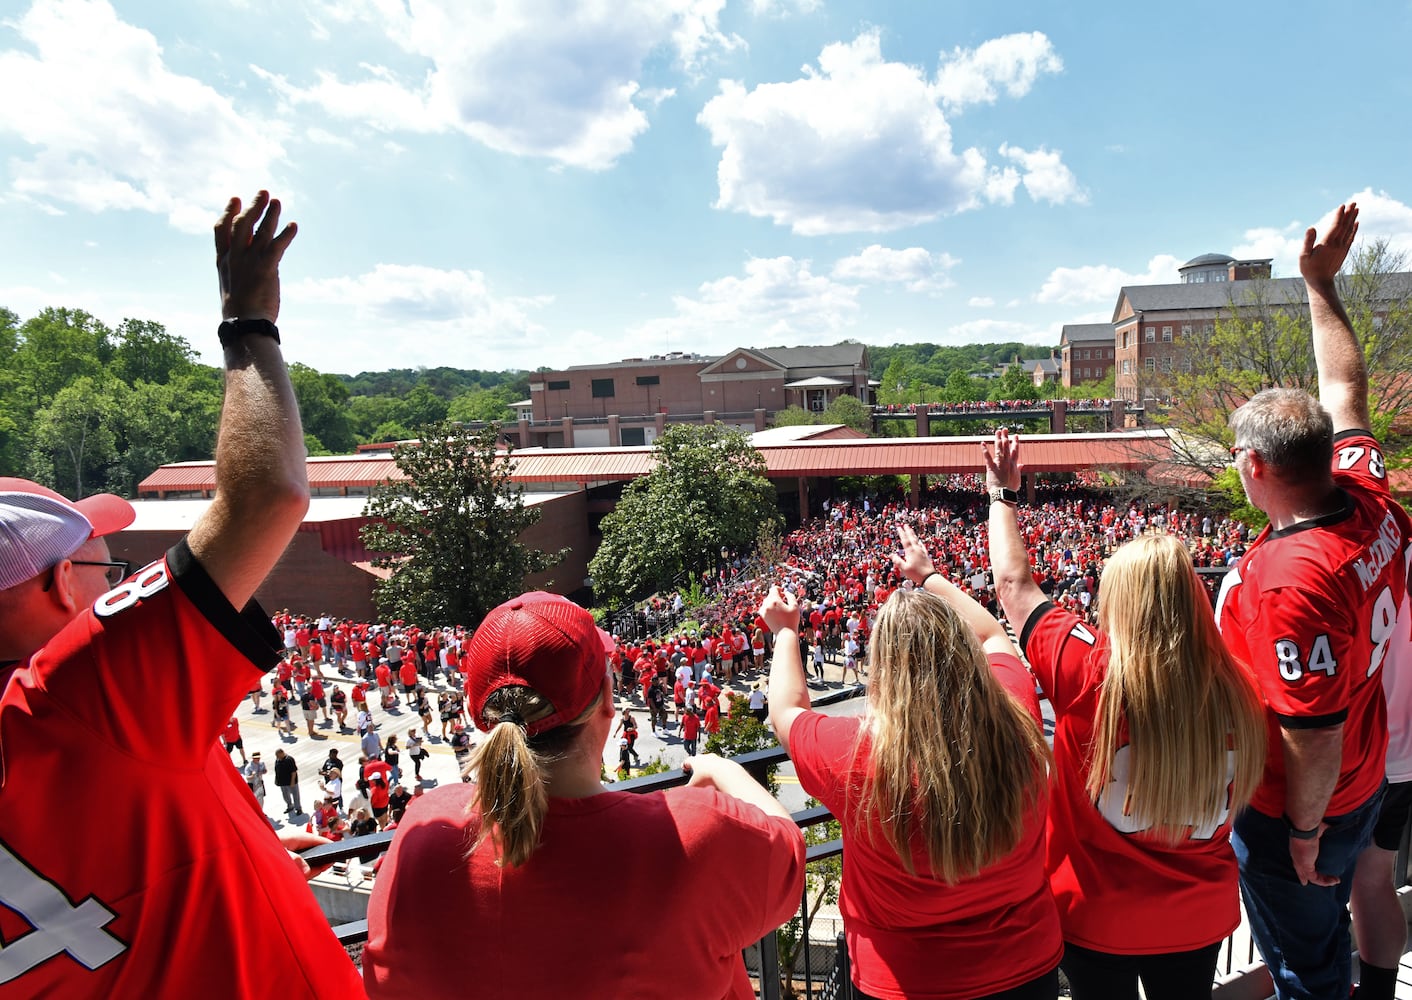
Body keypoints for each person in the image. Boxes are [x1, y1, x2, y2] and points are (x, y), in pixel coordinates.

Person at [0, 191, 362, 995]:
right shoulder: (74, 696)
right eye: (105, 569)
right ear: (62, 582)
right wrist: (247, 320)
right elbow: (269, 495)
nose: (116, 583)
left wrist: (238, 851)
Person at [362, 591, 806, 998]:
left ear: (480, 716)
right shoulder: (693, 832)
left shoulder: (422, 831)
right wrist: (725, 771)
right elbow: (789, 853)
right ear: (610, 701)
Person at [984, 442, 1267, 999]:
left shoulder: (1086, 672)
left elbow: (1014, 587)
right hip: (1198, 913)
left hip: (1096, 914)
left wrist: (1002, 496)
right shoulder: (1243, 686)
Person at [1216, 202, 1412, 1000]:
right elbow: (1347, 384)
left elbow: (1312, 729)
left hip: (1311, 806)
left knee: (1307, 964)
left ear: (1256, 465)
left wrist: (1301, 834)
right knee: (1329, 937)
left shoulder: (1290, 578)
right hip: (1367, 781)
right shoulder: (1366, 491)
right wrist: (1317, 285)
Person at [764, 528, 1061, 1000]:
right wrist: (930, 578)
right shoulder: (1016, 711)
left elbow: (787, 713)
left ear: (883, 668)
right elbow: (991, 635)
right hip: (1025, 966)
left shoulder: (855, 755)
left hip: (902, 979)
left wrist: (785, 632)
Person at [274, 748, 303, 817]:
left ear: (282, 753)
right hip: (282, 782)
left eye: (278, 755)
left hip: (290, 782)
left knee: (295, 795)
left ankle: (298, 808)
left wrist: (292, 781)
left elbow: (294, 771)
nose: (277, 757)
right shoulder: (277, 760)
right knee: (285, 795)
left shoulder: (289, 759)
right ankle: (290, 805)